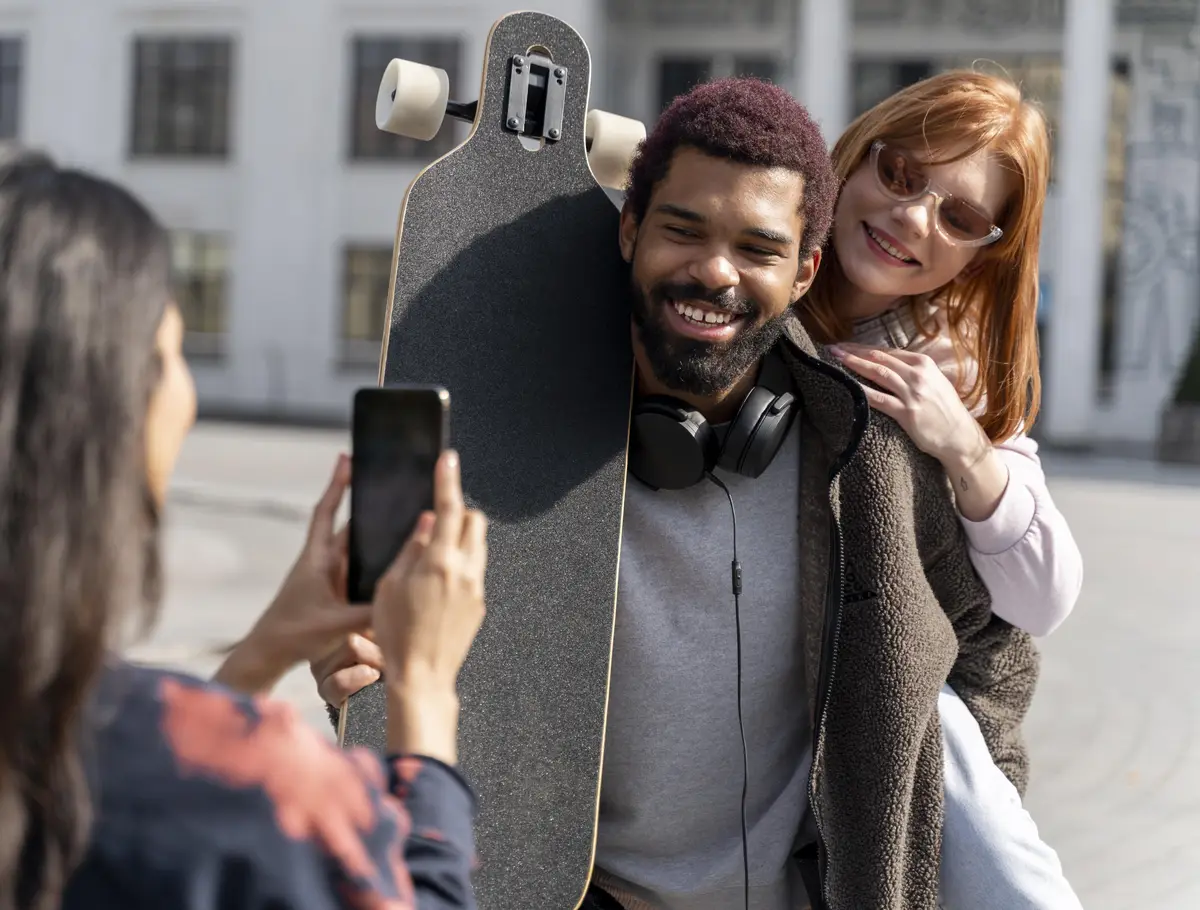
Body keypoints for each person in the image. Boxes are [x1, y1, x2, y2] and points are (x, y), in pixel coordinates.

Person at [307, 78, 1049, 910]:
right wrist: (351, 677)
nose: (715, 271)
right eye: (684, 230)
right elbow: (391, 667)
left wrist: (941, 831)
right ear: (630, 228)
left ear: (805, 270)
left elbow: (996, 648)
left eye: (759, 248)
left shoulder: (869, 457)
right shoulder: (502, 450)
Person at [0, 148, 486, 910]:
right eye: (171, 353)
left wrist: (264, 650)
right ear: (112, 408)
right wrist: (423, 691)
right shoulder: (269, 794)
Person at [804, 69, 1084, 640]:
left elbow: (1044, 603)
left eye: (959, 218)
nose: (912, 217)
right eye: (899, 173)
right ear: (858, 155)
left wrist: (964, 446)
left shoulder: (951, 375)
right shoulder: (744, 268)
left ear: (977, 261)